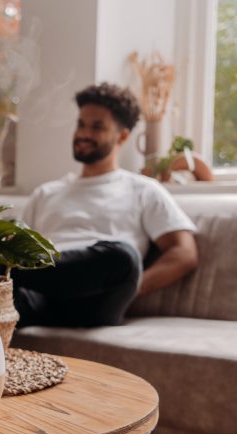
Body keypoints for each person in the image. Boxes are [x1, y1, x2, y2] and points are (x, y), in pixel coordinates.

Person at [12, 82, 198, 328]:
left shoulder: (144, 190)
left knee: (124, 256)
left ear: (122, 136)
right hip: (38, 299)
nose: (83, 134)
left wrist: (135, 284)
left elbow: (184, 253)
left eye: (97, 127)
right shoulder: (46, 193)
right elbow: (18, 253)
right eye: (81, 124)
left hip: (97, 300)